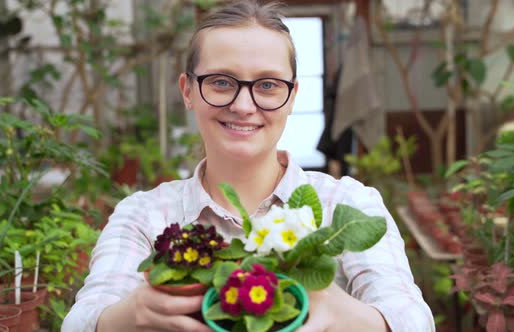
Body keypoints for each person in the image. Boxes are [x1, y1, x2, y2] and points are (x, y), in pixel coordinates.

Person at [62, 1, 435, 331]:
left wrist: (345, 314)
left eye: (268, 85)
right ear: (188, 91)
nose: (243, 105)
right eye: (222, 82)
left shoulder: (348, 203)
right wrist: (127, 316)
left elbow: (412, 317)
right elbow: (82, 320)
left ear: (292, 97)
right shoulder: (143, 215)